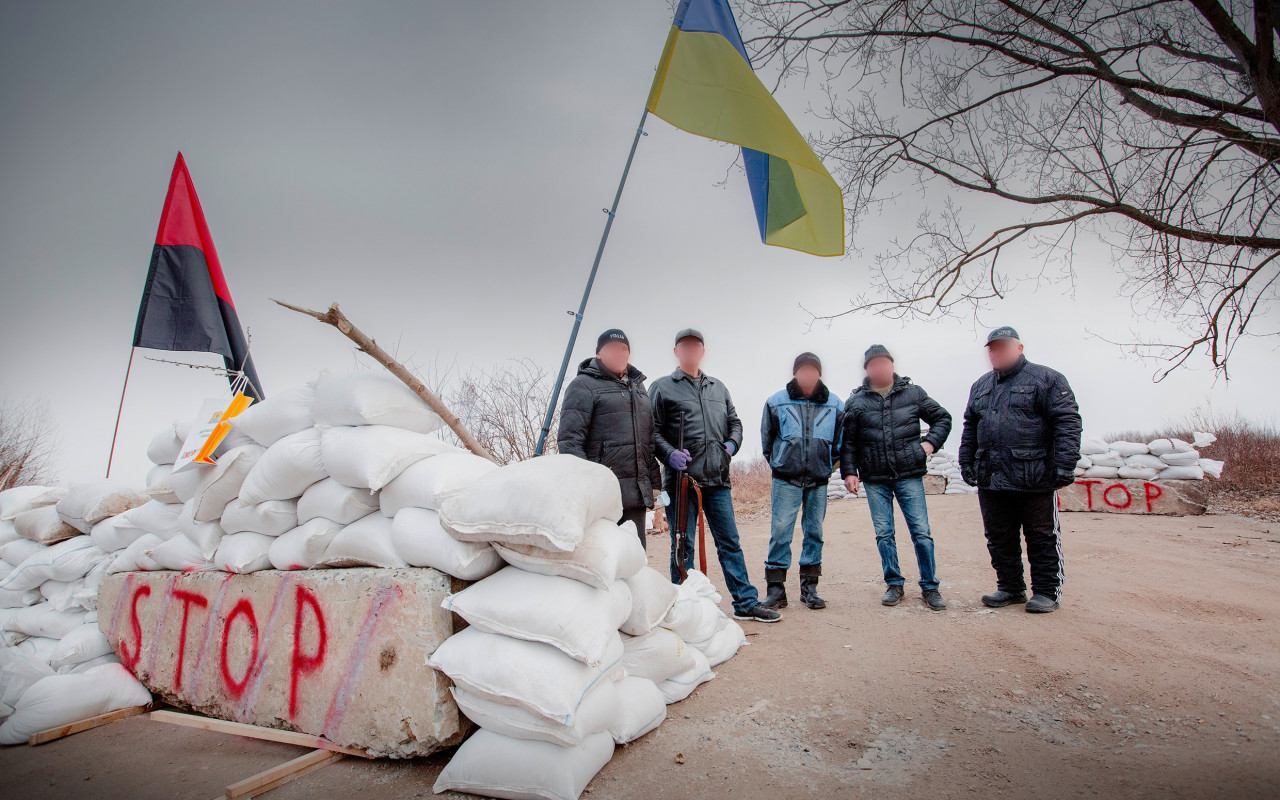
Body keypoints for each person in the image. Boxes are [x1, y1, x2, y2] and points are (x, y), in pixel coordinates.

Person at [650, 328, 781, 623]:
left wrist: (731, 445)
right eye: (685, 347)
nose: (691, 351)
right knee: (683, 543)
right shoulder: (662, 387)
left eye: (696, 347)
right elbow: (651, 431)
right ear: (676, 352)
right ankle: (683, 607)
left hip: (717, 478)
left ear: (702, 351)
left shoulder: (718, 387)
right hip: (682, 481)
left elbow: (735, 422)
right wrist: (669, 453)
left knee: (730, 542)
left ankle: (746, 602)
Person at [958, 327, 1082, 614]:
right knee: (999, 536)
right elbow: (970, 427)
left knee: (1041, 535)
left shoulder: (1046, 379)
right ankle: (1010, 587)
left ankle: (1047, 592)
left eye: (1003, 347)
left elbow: (1067, 422)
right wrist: (967, 462)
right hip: (991, 476)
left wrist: (1064, 464)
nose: (996, 352)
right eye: (992, 348)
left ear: (1019, 348)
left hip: (1034, 474)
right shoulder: (981, 385)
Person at [841, 344, 952, 610]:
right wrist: (849, 472)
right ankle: (894, 584)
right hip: (875, 477)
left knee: (921, 532)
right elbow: (848, 442)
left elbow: (943, 419)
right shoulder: (856, 402)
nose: (879, 368)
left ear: (892, 365)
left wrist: (928, 445)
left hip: (909, 474)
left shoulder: (912, 393)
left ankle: (930, 587)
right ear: (867, 369)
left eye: (883, 363)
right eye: (873, 364)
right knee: (884, 534)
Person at [556, 328, 662, 548]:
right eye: (612, 348)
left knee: (635, 558)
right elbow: (570, 442)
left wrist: (653, 483)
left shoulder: (639, 387)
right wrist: (588, 487)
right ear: (599, 354)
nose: (619, 353)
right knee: (605, 557)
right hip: (603, 495)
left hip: (635, 493)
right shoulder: (583, 385)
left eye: (624, 349)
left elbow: (647, 440)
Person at [759, 352, 844, 610]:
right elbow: (767, 441)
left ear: (819, 373)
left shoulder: (835, 404)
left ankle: (810, 589)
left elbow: (840, 443)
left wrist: (826, 467)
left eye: (813, 370)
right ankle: (776, 591)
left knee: (815, 532)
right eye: (803, 370)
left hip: (818, 480)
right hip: (786, 479)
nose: (808, 375)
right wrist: (780, 463)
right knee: (781, 532)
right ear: (795, 373)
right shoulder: (776, 402)